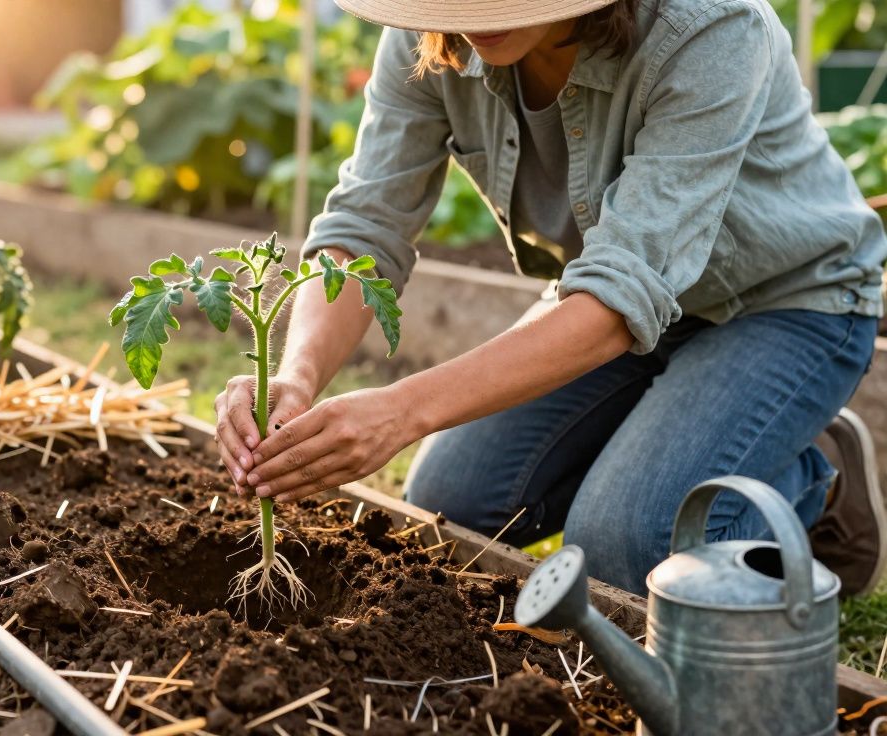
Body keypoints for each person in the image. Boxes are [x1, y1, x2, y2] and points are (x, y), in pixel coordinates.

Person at [212, 0, 887, 596]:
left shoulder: (709, 26)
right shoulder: (435, 30)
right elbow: (366, 227)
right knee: (448, 502)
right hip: (610, 303)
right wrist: (295, 379)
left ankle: (814, 483)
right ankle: (685, 438)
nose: (475, 17)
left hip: (785, 304)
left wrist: (401, 411)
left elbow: (619, 300)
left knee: (622, 545)